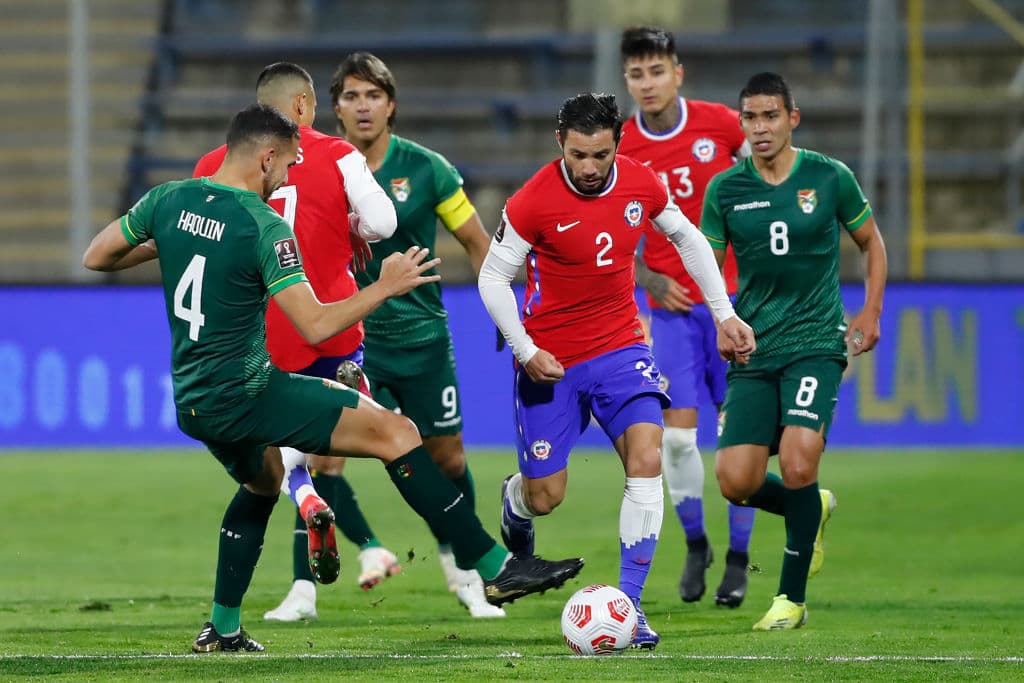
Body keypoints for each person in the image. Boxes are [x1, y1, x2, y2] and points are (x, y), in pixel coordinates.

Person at [83, 103, 584, 653]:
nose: (289, 175)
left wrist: (181, 244)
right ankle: (496, 565)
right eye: (289, 165)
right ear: (266, 156)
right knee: (398, 433)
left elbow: (97, 255)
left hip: (194, 402)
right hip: (250, 394)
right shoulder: (261, 225)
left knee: (263, 483)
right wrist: (384, 285)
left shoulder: (168, 199)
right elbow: (317, 324)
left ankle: (222, 628)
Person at [478, 93, 755, 650]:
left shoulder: (641, 183)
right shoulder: (531, 201)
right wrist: (526, 348)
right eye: (577, 154)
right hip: (550, 359)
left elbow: (688, 238)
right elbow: (492, 279)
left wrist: (724, 313)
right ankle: (516, 499)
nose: (587, 167)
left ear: (616, 146)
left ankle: (629, 609)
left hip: (621, 347)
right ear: (561, 144)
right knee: (546, 497)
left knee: (648, 456)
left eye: (599, 155)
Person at [194, 62, 404, 624]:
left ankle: (304, 517)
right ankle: (456, 561)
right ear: (306, 105)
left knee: (270, 456)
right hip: (330, 317)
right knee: (343, 440)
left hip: (255, 330)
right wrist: (351, 227)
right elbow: (383, 224)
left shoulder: (212, 166)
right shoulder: (336, 154)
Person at [703, 72, 887, 630]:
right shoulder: (725, 190)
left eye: (770, 116)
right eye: (750, 118)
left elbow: (871, 244)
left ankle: (790, 599)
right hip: (754, 349)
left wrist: (871, 310)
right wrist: (721, 318)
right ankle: (814, 507)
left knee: (800, 459)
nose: (760, 128)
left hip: (814, 342)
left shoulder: (829, 177)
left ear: (792, 118)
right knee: (736, 482)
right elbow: (708, 265)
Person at [329, 52, 503, 618]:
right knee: (320, 457)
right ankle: (307, 586)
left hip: (424, 339)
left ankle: (465, 569)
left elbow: (479, 243)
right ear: (335, 106)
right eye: (352, 96)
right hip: (351, 341)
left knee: (448, 459)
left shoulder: (429, 169)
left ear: (391, 104)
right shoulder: (320, 169)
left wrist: (505, 312)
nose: (362, 106)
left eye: (372, 95)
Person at [617, 25, 757, 608]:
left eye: (656, 71)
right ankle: (696, 543)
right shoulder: (619, 144)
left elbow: (765, 187)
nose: (646, 84)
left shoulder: (723, 126)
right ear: (626, 80)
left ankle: (740, 558)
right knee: (676, 445)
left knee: (739, 441)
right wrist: (649, 278)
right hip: (670, 314)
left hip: (733, 308)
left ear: (678, 72)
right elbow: (610, 234)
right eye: (635, 74)